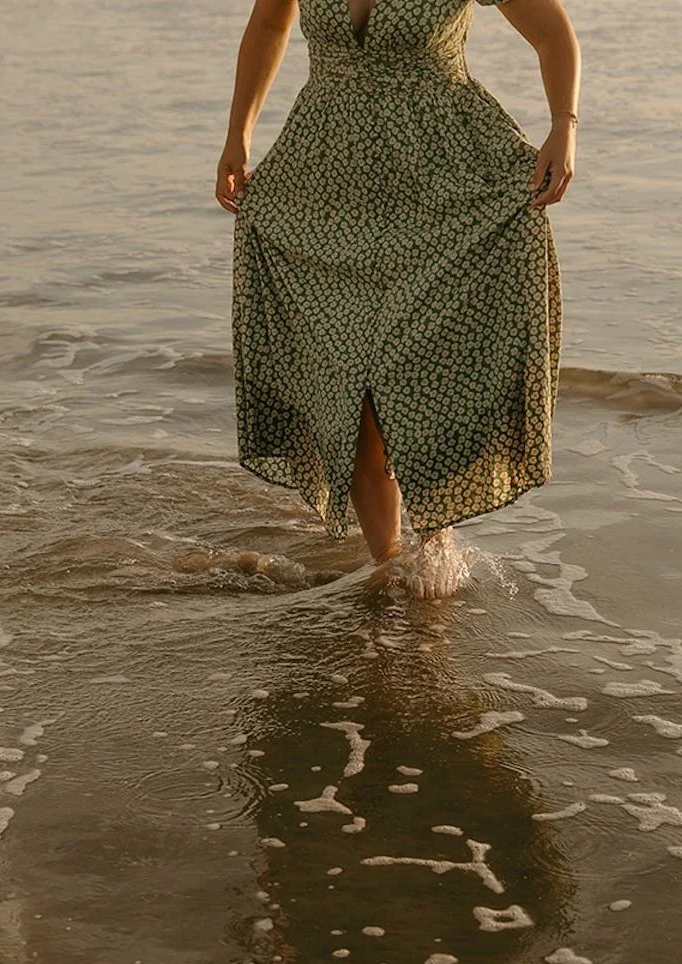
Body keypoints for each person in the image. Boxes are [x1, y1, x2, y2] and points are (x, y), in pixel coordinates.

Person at [218, 0, 577, 598]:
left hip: (446, 179)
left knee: (419, 371)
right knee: (347, 378)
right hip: (326, 183)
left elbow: (551, 32)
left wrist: (563, 124)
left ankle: (435, 549)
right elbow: (269, 24)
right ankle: (391, 567)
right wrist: (239, 135)